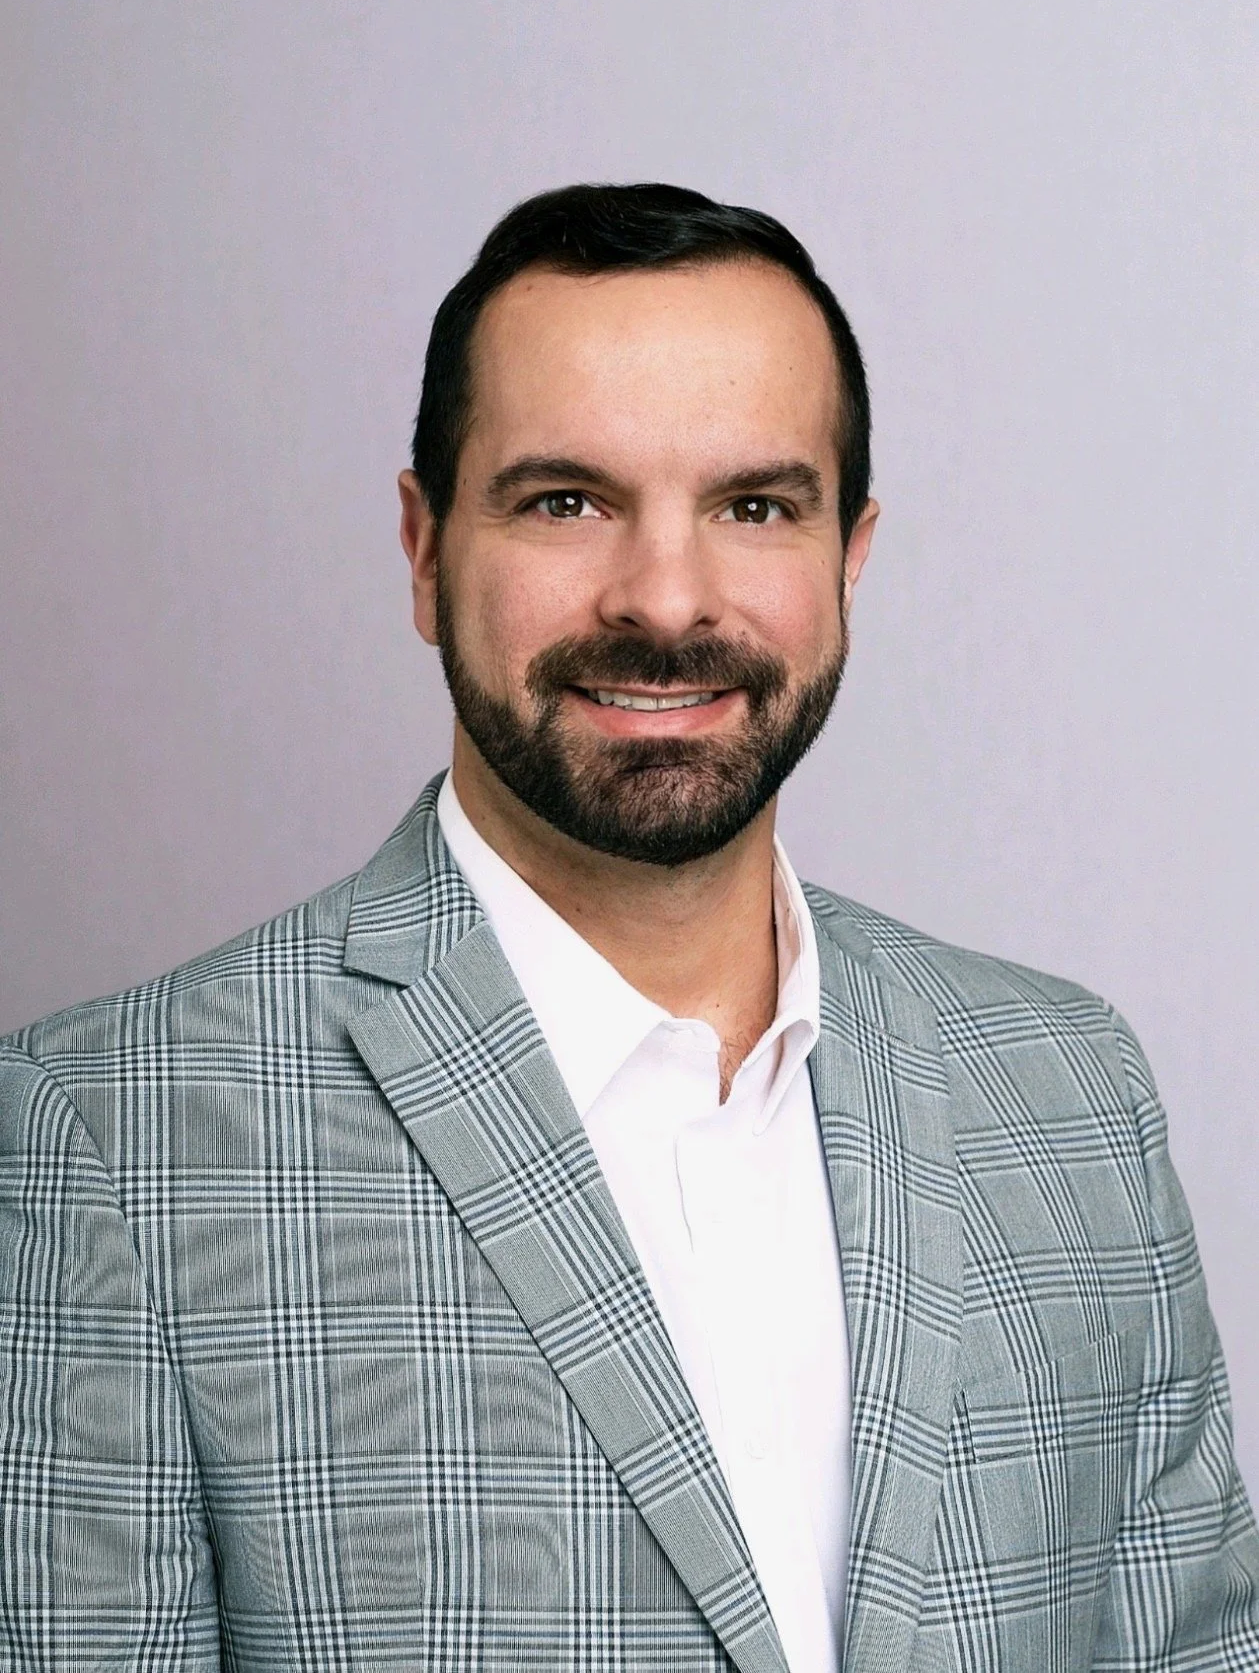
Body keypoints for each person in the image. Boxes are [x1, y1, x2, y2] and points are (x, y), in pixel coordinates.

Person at [1, 183, 1256, 1673]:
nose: (665, 599)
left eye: (752, 505)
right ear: (421, 548)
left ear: (848, 556)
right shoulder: (110, 1137)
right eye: (565, 501)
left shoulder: (1065, 1092)